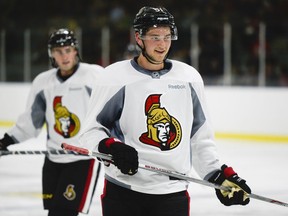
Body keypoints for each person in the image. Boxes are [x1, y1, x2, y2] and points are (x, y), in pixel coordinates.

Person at [78, 6, 251, 216]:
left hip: (172, 193)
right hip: (124, 190)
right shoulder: (114, 78)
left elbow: (199, 138)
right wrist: (111, 147)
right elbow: (90, 131)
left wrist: (218, 175)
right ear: (138, 38)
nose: (162, 44)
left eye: (167, 36)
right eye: (154, 37)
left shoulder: (188, 77)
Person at [0, 28, 104, 216]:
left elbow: (110, 110)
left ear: (75, 51)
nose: (64, 56)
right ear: (51, 54)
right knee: (54, 212)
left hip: (82, 159)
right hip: (53, 159)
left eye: (68, 50)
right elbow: (31, 122)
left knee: (64, 213)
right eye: (58, 51)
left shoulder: (94, 76)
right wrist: (6, 141)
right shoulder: (43, 82)